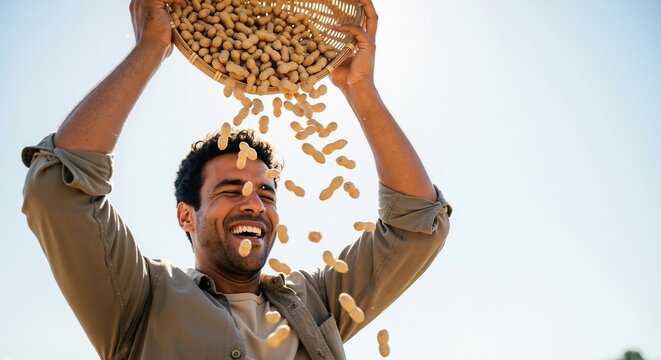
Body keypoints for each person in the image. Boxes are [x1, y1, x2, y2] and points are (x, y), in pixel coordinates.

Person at [21, 0, 452, 358]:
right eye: (232, 190)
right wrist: (151, 48)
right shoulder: (143, 298)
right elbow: (56, 189)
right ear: (186, 216)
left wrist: (362, 91)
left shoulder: (317, 300)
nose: (254, 203)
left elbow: (417, 227)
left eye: (267, 192)